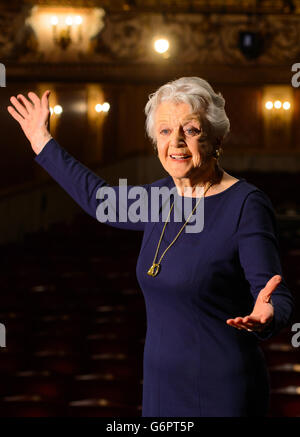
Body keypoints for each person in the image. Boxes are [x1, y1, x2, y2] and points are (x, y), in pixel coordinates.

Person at [7, 77, 295, 417]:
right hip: (161, 384)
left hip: (220, 388)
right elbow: (99, 199)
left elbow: (275, 292)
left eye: (190, 130)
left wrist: (268, 314)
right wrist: (41, 140)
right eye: (164, 131)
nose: (176, 143)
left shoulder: (245, 204)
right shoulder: (158, 199)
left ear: (216, 137)